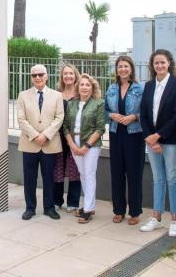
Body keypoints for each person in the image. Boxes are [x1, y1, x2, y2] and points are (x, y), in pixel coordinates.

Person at [139, 49, 176, 237]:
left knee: (173, 179)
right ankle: (156, 217)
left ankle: (175, 219)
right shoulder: (149, 86)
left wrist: (158, 136)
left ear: (169, 63)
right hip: (152, 142)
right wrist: (150, 138)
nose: (159, 65)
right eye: (156, 63)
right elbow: (143, 113)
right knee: (158, 179)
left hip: (170, 141)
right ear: (152, 65)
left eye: (163, 62)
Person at [16, 64, 64, 221]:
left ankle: (49, 208)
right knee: (30, 179)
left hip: (49, 144)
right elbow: (21, 119)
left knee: (49, 178)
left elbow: (59, 118)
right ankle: (30, 208)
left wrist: (46, 135)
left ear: (47, 76)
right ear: (31, 77)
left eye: (40, 74)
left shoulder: (57, 96)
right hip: (30, 144)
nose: (37, 77)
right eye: (34, 75)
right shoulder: (23, 95)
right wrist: (36, 135)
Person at [105, 55, 145, 225]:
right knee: (117, 173)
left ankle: (135, 212)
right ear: (117, 69)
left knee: (134, 173)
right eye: (120, 66)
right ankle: (118, 210)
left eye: (126, 66)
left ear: (131, 69)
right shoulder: (112, 88)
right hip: (116, 134)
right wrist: (111, 115)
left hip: (134, 135)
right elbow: (105, 110)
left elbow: (146, 111)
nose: (123, 69)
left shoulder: (139, 88)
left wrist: (134, 117)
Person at [63, 74, 105, 223]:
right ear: (78, 87)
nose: (85, 87)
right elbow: (66, 127)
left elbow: (100, 128)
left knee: (89, 174)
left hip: (91, 145)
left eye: (88, 85)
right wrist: (72, 145)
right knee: (82, 174)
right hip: (74, 143)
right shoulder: (72, 104)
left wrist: (86, 146)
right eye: (82, 84)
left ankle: (87, 210)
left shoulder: (98, 103)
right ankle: (90, 205)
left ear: (92, 87)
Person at [53, 64, 82, 213]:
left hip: (75, 137)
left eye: (71, 73)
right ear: (62, 77)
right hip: (58, 136)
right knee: (58, 168)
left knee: (75, 169)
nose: (68, 76)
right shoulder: (56, 94)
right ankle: (57, 200)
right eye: (65, 74)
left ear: (75, 75)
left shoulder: (81, 93)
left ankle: (73, 201)